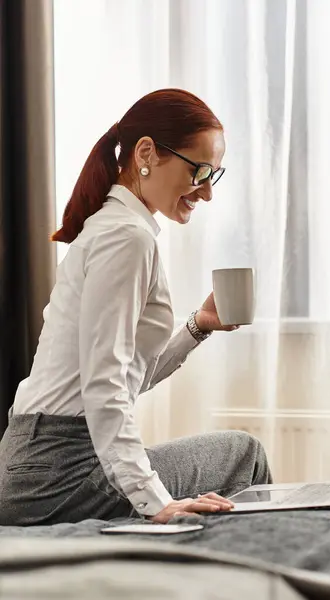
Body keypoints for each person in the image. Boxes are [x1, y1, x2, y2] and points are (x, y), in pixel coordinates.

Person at [0, 88, 270, 526]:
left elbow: (119, 377)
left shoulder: (115, 229)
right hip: (60, 473)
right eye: (199, 171)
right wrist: (155, 502)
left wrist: (198, 326)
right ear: (147, 152)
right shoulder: (127, 237)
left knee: (235, 455)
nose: (206, 193)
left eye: (213, 176)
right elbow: (105, 385)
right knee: (245, 454)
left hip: (40, 465)